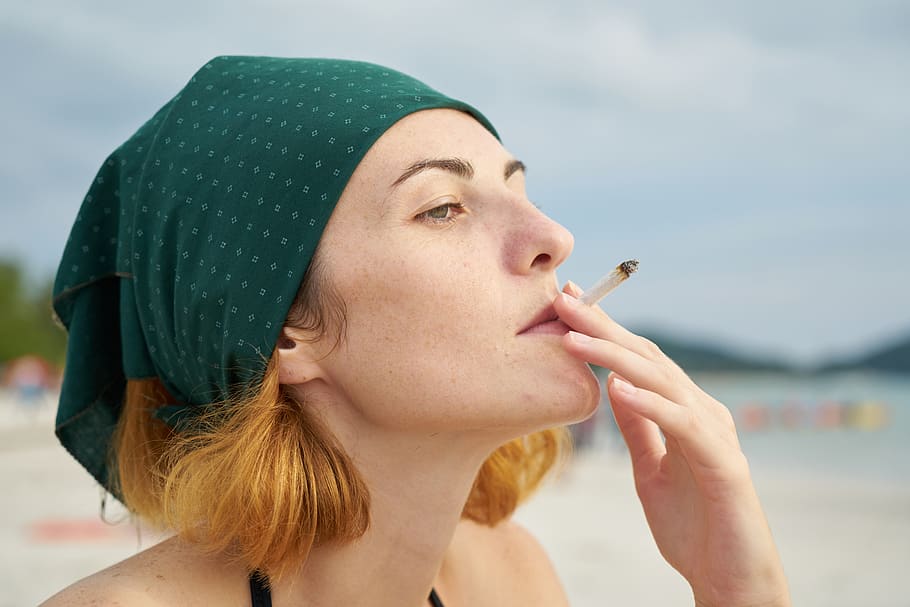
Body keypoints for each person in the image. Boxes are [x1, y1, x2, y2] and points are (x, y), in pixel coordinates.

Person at [43, 56, 790, 606]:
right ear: (281, 331)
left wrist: (736, 589)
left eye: (519, 190)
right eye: (442, 208)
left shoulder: (513, 583)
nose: (554, 237)